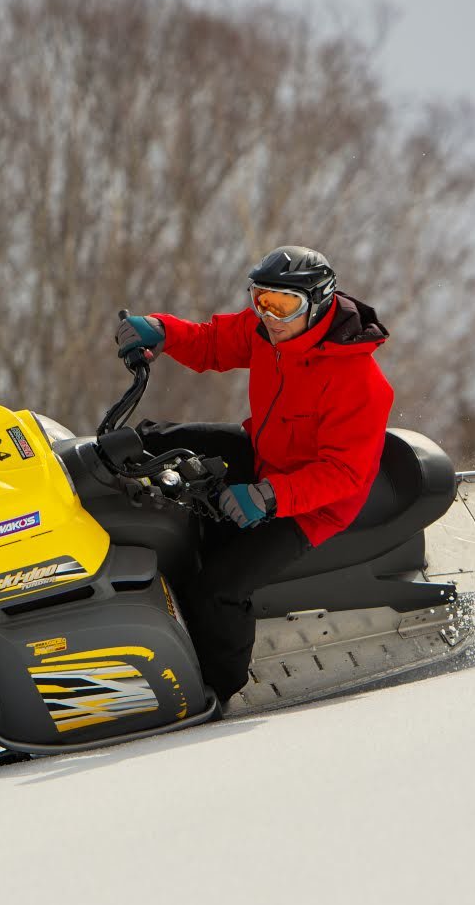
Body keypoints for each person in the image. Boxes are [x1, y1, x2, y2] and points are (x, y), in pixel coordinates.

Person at [114, 245, 393, 708]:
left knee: (218, 587)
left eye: (284, 305)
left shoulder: (358, 380)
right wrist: (162, 330)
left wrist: (269, 496)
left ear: (319, 302)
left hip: (312, 506)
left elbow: (344, 473)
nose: (270, 315)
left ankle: (215, 694)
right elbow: (211, 342)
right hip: (265, 458)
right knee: (155, 439)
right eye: (260, 299)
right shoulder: (268, 333)